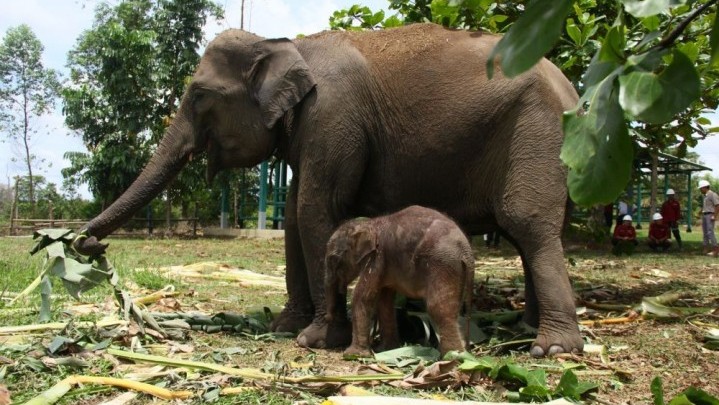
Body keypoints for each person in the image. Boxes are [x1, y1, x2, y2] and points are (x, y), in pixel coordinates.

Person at [699, 180, 719, 257]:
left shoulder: (712, 194)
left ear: (704, 187)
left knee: (710, 232)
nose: (700, 190)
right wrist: (700, 213)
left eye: (701, 188)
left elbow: (717, 205)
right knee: (705, 232)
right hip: (705, 215)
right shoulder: (705, 196)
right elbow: (705, 206)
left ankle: (716, 249)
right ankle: (705, 249)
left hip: (710, 215)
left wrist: (714, 215)